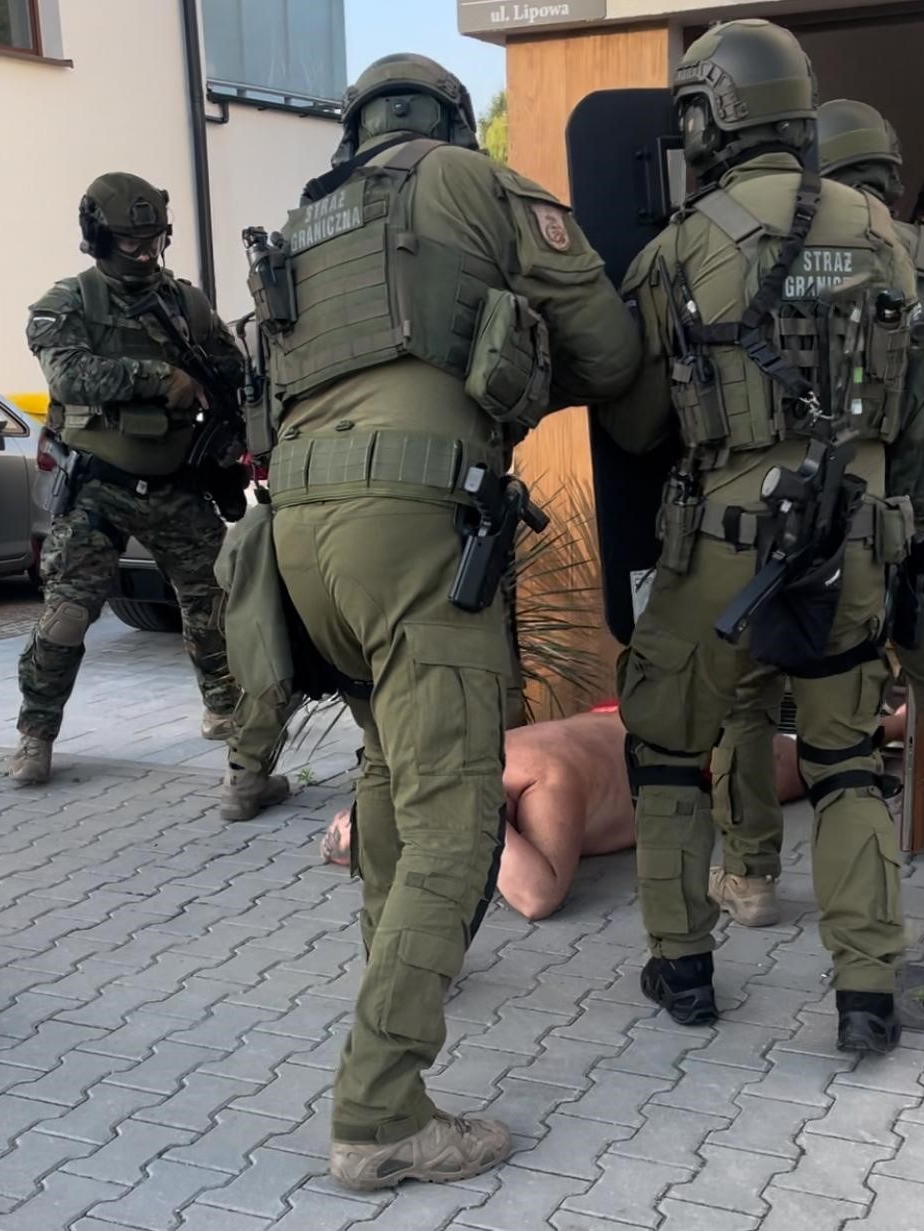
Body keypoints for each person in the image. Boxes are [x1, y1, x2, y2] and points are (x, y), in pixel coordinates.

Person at [252, 54, 641, 1189]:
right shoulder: (475, 181)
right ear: (453, 121)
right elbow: (611, 350)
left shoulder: (308, 219)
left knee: (388, 758)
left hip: (299, 535)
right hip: (414, 524)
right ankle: (380, 1110)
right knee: (455, 817)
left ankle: (404, 963)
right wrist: (522, 376)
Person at [598, 20, 920, 1055]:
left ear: (711, 116)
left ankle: (684, 966)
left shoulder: (678, 248)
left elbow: (636, 424)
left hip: (723, 545)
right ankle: (866, 992)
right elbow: (914, 407)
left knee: (666, 746)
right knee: (848, 761)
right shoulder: (883, 234)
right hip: (856, 535)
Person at [710, 99, 924, 956]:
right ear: (890, 175)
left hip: (800, 546)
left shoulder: (758, 250)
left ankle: (749, 878)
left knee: (749, 705)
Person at [9, 173, 246, 786]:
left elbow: (233, 374)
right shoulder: (67, 303)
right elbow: (69, 376)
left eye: (154, 240)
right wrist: (160, 378)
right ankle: (36, 733)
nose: (144, 254)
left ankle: (228, 714)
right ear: (97, 237)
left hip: (177, 483)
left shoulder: (188, 306)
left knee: (217, 601)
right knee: (67, 615)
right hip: (99, 488)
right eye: (130, 242)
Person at [320, 703, 910, 920]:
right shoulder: (467, 757)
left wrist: (475, 820)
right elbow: (346, 835)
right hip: (620, 723)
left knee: (821, 762)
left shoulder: (541, 782)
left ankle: (895, 725)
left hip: (688, 758)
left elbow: (538, 898)